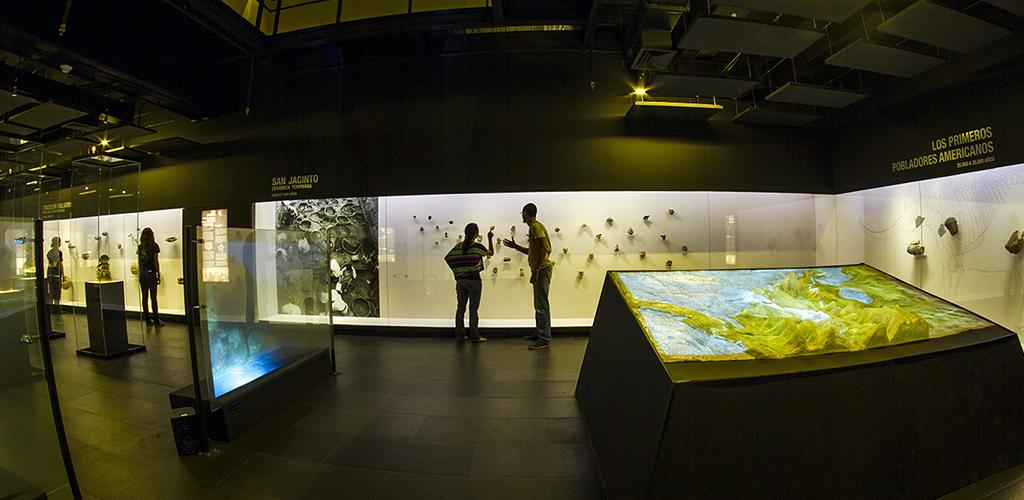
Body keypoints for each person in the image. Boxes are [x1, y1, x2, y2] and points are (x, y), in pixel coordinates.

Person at [503, 203, 554, 350]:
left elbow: (544, 248)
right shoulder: (534, 227)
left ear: (527, 213)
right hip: (540, 269)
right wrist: (516, 247)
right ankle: (540, 333)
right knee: (539, 304)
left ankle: (544, 338)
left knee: (541, 304)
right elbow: (533, 251)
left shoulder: (535, 227)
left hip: (542, 269)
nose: (522, 216)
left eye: (523, 213)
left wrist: (536, 271)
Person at [445, 223, 494, 342]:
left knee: (460, 309)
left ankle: (460, 335)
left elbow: (449, 258)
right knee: (473, 310)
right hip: (474, 281)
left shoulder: (458, 246)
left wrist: (457, 273)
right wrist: (489, 238)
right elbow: (491, 253)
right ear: (476, 234)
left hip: (461, 282)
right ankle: (475, 336)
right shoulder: (477, 247)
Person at [137, 227, 164, 327]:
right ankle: (156, 320)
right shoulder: (154, 246)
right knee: (153, 298)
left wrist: (141, 272)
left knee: (144, 297)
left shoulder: (140, 247)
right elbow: (156, 261)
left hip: (142, 274)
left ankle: (147, 320)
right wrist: (158, 273)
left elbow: (139, 262)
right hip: (151, 273)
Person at [45, 236, 64, 305]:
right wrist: (63, 274)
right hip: (56, 273)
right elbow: (60, 264)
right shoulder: (59, 252)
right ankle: (56, 306)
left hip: (50, 273)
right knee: (57, 292)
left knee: (51, 291)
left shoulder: (49, 252)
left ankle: (52, 306)